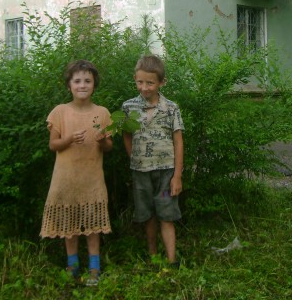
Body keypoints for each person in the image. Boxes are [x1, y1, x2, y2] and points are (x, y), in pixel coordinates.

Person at [40, 59, 113, 287]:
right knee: (68, 226)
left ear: (94, 85)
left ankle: (94, 267)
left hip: (91, 179)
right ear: (69, 85)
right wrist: (70, 139)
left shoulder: (102, 113)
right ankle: (72, 266)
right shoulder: (60, 112)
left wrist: (102, 141)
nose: (82, 85)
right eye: (77, 81)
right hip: (65, 179)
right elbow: (53, 145)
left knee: (93, 226)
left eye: (87, 81)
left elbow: (110, 146)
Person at [122, 54, 184, 267]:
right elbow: (126, 134)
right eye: (140, 82)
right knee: (147, 215)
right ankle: (153, 256)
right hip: (141, 173)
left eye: (150, 83)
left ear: (161, 82)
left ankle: (172, 260)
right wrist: (134, 158)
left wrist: (177, 176)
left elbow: (178, 141)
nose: (145, 87)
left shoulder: (171, 108)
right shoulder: (129, 107)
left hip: (166, 174)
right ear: (135, 79)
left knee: (166, 215)